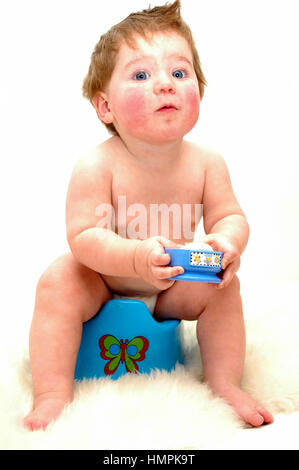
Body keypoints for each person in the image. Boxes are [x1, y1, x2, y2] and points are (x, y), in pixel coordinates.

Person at [24, 0, 273, 431]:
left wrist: (227, 243)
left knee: (223, 287)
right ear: (105, 108)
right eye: (141, 75)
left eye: (180, 73)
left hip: (171, 286)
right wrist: (136, 258)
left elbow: (229, 215)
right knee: (58, 280)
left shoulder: (206, 162)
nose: (166, 85)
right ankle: (51, 392)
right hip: (102, 283)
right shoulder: (96, 164)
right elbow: (83, 235)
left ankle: (224, 382)